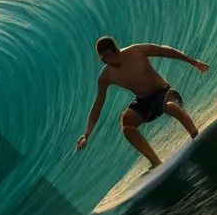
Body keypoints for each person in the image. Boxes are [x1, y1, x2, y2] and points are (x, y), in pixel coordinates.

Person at [75, 35, 209, 170]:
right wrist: (87, 134)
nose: (108, 61)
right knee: (126, 123)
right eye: (103, 59)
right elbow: (98, 106)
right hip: (144, 101)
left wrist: (193, 62)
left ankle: (197, 136)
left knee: (169, 106)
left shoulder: (135, 51)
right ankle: (156, 162)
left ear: (116, 50)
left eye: (108, 55)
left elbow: (165, 51)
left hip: (163, 91)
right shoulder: (106, 76)